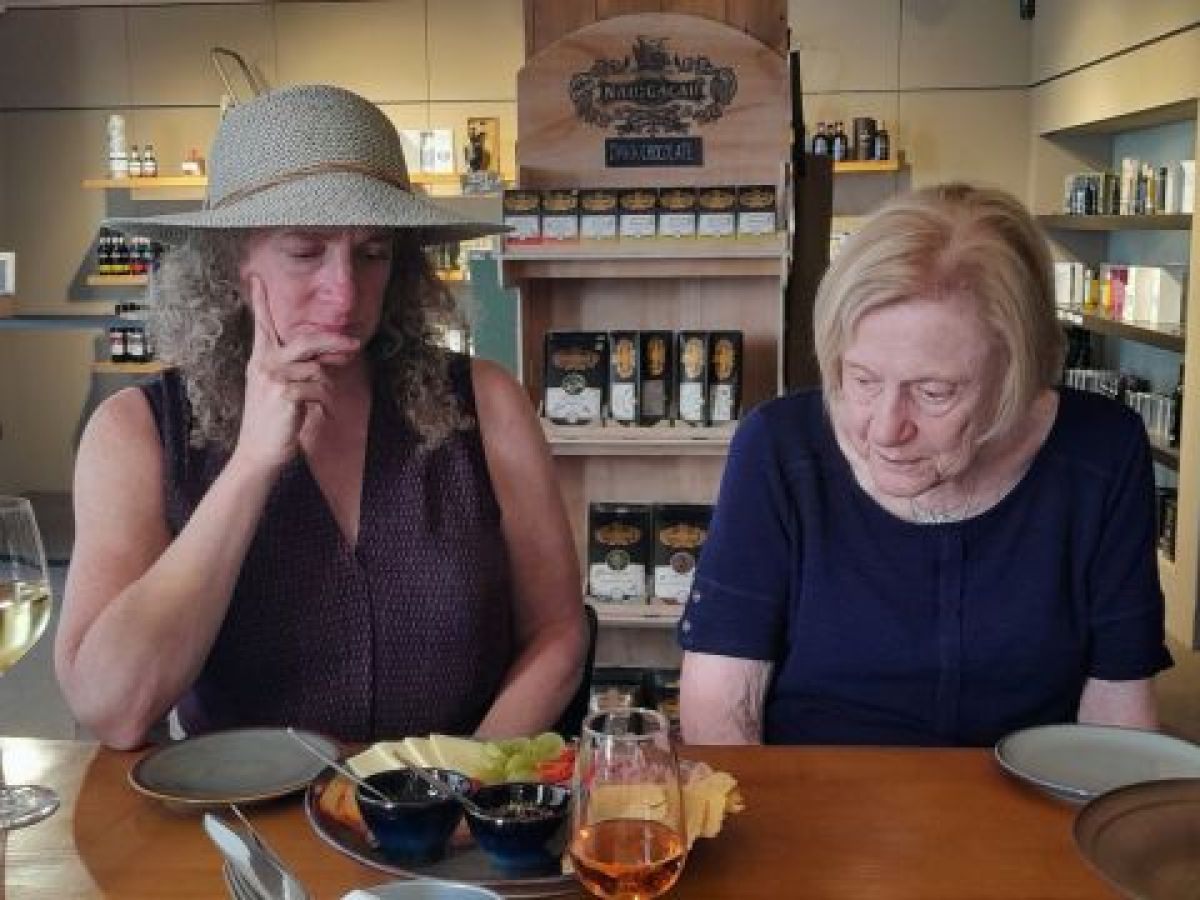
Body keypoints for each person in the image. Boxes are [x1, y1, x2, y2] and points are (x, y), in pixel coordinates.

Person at [55, 84, 587, 750]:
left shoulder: (482, 404)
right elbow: (113, 708)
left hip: (447, 824)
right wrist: (249, 465)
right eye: (305, 251)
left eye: (372, 253)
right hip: (241, 828)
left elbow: (558, 633)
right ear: (231, 262)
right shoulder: (137, 432)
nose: (344, 292)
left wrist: (457, 781)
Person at [678, 183, 1172, 746]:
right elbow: (720, 701)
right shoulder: (778, 447)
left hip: (1030, 807)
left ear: (1019, 373)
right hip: (815, 805)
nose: (885, 429)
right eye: (862, 381)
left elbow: (1118, 707)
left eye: (934, 393)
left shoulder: (1100, 452)